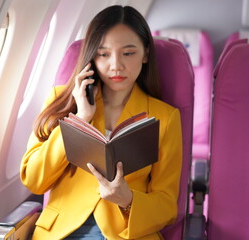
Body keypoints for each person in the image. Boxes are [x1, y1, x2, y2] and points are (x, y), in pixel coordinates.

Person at [20, 5, 182, 240]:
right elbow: (34, 180)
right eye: (104, 54)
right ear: (92, 55)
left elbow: (167, 205)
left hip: (126, 233)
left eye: (128, 53)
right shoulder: (62, 101)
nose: (115, 65)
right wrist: (78, 120)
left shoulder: (165, 117)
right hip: (61, 232)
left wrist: (127, 199)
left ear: (146, 54)